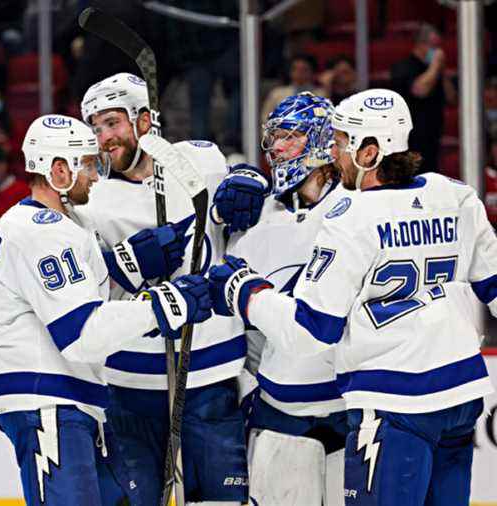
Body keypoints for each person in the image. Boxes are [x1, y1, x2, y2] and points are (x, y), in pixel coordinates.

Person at [209, 88, 496, 506]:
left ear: (369, 151)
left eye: (341, 143)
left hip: (390, 402)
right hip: (459, 395)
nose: (334, 152)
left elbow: (312, 330)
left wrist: (246, 290)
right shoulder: (455, 195)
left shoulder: (352, 216)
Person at [0, 114, 212, 505]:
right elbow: (81, 334)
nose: (96, 175)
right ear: (59, 170)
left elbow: (78, 291)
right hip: (46, 397)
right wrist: (165, 305)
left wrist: (127, 263)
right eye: (88, 164)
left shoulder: (58, 223)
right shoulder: (43, 231)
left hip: (67, 396)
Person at [76, 72, 263, 504]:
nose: (103, 138)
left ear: (144, 119)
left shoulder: (201, 160)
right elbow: (82, 289)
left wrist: (252, 181)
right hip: (128, 382)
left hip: (210, 373)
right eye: (96, 127)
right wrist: (124, 263)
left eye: (112, 122)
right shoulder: (90, 201)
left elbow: (241, 198)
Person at [215, 92, 349, 506]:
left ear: (322, 142)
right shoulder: (256, 220)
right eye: (273, 138)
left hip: (351, 410)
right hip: (280, 412)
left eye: (288, 137)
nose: (275, 149)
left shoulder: (360, 210)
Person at [391, 23, 457, 174]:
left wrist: (441, 71)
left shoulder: (437, 70)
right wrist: (435, 67)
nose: (438, 51)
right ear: (420, 44)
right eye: (434, 46)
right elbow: (419, 90)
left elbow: (452, 98)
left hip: (433, 136)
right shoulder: (404, 67)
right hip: (410, 139)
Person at [261, 54, 326, 124]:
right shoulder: (277, 94)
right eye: (295, 69)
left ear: (312, 72)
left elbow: (324, 120)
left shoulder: (321, 94)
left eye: (304, 70)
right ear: (290, 72)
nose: (299, 73)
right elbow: (265, 118)